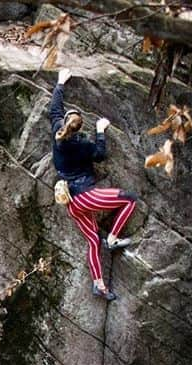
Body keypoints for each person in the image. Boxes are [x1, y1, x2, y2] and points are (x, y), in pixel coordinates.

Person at [51, 68, 139, 302]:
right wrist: (100, 131)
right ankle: (113, 238)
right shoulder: (82, 145)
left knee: (92, 241)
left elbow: (54, 109)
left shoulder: (56, 133)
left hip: (71, 203)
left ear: (65, 122)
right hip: (84, 196)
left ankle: (99, 285)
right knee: (129, 199)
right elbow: (100, 155)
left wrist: (60, 83)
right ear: (79, 127)